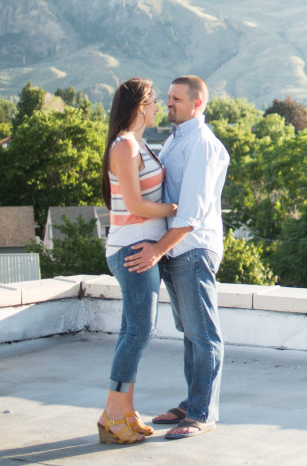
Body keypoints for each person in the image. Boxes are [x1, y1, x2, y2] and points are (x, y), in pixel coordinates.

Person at [123, 75, 230, 440]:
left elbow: (192, 212)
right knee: (189, 331)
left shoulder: (200, 144)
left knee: (203, 333)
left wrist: (157, 249)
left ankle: (202, 413)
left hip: (192, 248)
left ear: (197, 104)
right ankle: (191, 402)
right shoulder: (175, 139)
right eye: (167, 98)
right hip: (176, 248)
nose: (168, 103)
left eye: (176, 99)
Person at [99, 77, 178, 445]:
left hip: (139, 246)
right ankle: (114, 414)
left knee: (131, 330)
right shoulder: (126, 147)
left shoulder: (137, 144)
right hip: (134, 248)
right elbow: (134, 205)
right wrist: (176, 209)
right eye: (152, 101)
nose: (158, 106)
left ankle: (123, 413)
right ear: (139, 107)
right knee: (139, 331)